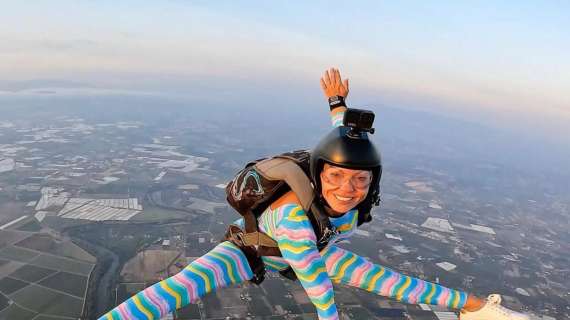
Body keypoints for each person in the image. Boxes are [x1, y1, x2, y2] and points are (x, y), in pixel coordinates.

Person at [99, 68, 530, 320]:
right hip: (251, 250)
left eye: (360, 181)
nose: (348, 189)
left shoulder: (341, 175)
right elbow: (318, 288)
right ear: (319, 175)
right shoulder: (293, 216)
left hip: (318, 249)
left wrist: (338, 101)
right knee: (176, 290)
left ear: (372, 182)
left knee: (399, 284)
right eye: (337, 178)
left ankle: (477, 309)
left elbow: (340, 137)